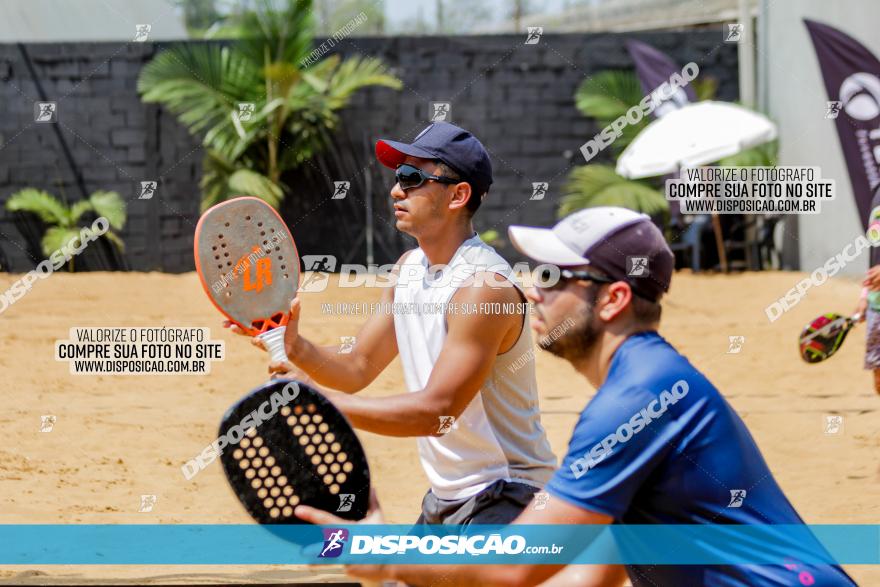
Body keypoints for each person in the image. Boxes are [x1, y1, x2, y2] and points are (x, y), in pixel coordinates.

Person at [296, 207, 856, 587]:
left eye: (555, 274)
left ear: (612, 299)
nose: (534, 289)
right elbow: (590, 572)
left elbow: (515, 567)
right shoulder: (644, 386)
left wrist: (390, 556)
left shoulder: (636, 401)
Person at [228, 121, 556, 525]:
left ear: (459, 194)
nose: (396, 189)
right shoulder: (409, 270)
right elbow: (358, 366)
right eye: (398, 176)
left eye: (412, 177)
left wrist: (320, 407)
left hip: (509, 495)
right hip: (446, 497)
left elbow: (438, 412)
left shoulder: (482, 289)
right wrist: (294, 345)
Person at [854, 186, 880, 394]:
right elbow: (874, 250)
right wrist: (865, 295)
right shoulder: (876, 192)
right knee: (878, 376)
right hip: (876, 304)